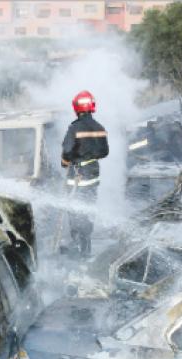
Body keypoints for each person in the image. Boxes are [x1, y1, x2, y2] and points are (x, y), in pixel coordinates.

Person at [60, 90, 109, 258]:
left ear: (76, 108)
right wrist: (90, 155)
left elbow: (67, 150)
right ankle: (86, 246)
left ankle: (76, 246)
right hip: (93, 174)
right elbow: (104, 152)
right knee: (88, 208)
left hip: (77, 175)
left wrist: (66, 162)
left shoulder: (75, 127)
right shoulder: (100, 128)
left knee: (74, 209)